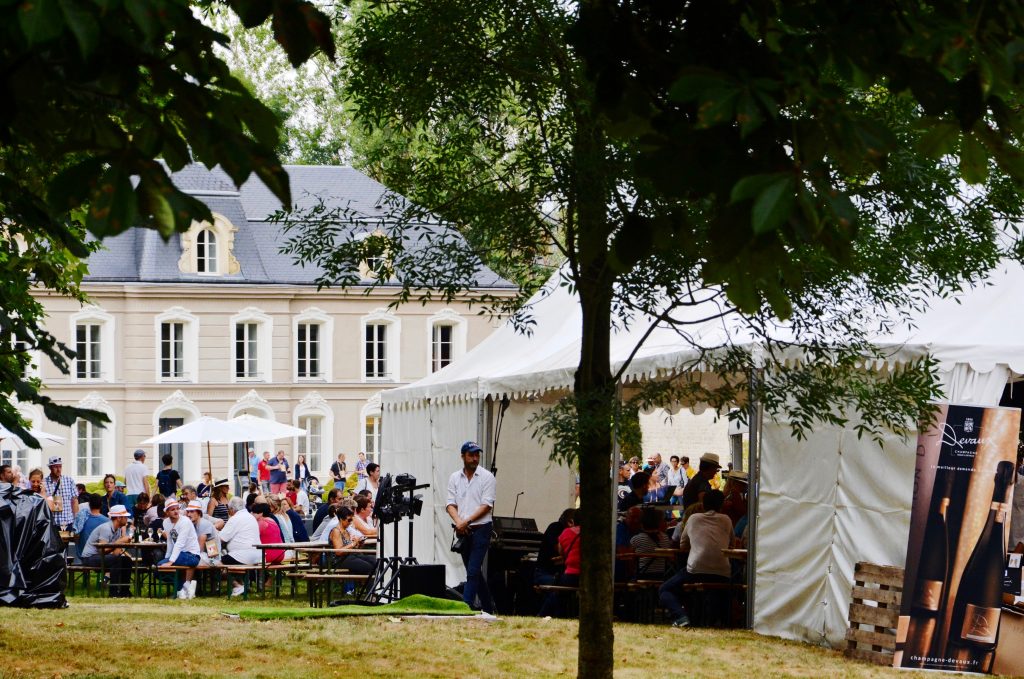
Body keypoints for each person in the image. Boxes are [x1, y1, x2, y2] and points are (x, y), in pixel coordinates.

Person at [659, 489, 734, 627]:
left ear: (703, 504)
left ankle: (681, 617)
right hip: (723, 572)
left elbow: (682, 545)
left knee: (665, 589)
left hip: (696, 571)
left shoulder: (693, 518)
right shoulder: (726, 520)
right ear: (721, 505)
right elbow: (732, 545)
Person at [446, 441, 495, 613]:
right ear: (463, 456)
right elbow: (450, 504)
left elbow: (486, 505)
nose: (475, 458)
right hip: (463, 530)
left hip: (481, 528)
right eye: (471, 455)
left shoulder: (487, 477)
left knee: (473, 570)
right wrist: (459, 521)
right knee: (473, 572)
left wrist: (464, 522)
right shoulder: (454, 477)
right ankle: (489, 608)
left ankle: (465, 608)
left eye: (477, 455)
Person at [80, 504, 134, 597]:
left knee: (126, 560)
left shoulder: (118, 530)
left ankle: (125, 591)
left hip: (101, 557)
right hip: (89, 558)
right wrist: (119, 541)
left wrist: (121, 544)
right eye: (125, 517)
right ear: (118, 518)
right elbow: (102, 550)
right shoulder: (106, 528)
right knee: (116, 560)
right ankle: (113, 592)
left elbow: (116, 553)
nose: (127, 519)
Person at [538, 512, 581, 618]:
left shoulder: (566, 532)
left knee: (558, 592)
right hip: (587, 576)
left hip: (570, 574)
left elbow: (561, 551)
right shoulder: (594, 535)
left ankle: (544, 615)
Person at [158, 497, 201, 600]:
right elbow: (170, 542)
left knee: (167, 565)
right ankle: (183, 587)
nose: (176, 511)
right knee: (159, 566)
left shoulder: (185, 522)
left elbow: (179, 544)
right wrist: (167, 558)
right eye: (172, 509)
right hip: (179, 555)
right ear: (167, 512)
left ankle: (181, 589)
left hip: (192, 555)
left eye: (177, 508)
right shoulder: (166, 523)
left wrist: (170, 561)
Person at [219, 496, 261, 597]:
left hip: (242, 555)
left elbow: (222, 538)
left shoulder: (235, 518)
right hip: (257, 555)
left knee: (216, 562)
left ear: (232, 509)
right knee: (228, 557)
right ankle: (243, 585)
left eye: (229, 510)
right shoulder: (250, 517)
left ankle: (237, 585)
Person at [329, 507, 375, 574]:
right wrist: (353, 543)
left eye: (352, 520)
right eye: (349, 520)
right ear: (341, 519)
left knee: (375, 561)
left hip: (351, 556)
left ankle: (373, 583)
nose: (350, 522)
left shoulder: (346, 530)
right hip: (340, 560)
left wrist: (358, 543)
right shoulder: (336, 531)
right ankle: (370, 584)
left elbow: (351, 547)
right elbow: (338, 552)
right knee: (368, 567)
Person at [535, 508, 576, 586]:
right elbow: (559, 549)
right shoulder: (556, 527)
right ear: (570, 522)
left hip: (557, 573)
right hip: (546, 573)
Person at [629, 508, 672, 580]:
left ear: (641, 523)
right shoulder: (665, 538)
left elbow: (631, 562)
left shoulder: (636, 539)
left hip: (642, 575)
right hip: (661, 576)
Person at [44, 455, 77, 529]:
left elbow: (74, 501)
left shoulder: (69, 480)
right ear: (50, 468)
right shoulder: (44, 483)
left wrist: (76, 519)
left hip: (68, 522)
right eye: (55, 467)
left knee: (66, 541)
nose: (59, 469)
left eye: (60, 466)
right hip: (52, 523)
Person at [185, 499, 220, 567]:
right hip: (206, 555)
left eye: (192, 512)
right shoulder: (194, 524)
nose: (189, 514)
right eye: (188, 512)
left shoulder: (203, 524)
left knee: (189, 560)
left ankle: (188, 578)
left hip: (213, 559)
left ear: (199, 513)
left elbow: (199, 549)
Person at [76, 495, 107, 562]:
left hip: (82, 554)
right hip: (100, 554)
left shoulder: (81, 520)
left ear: (89, 504)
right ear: (101, 505)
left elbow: (76, 536)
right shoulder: (107, 521)